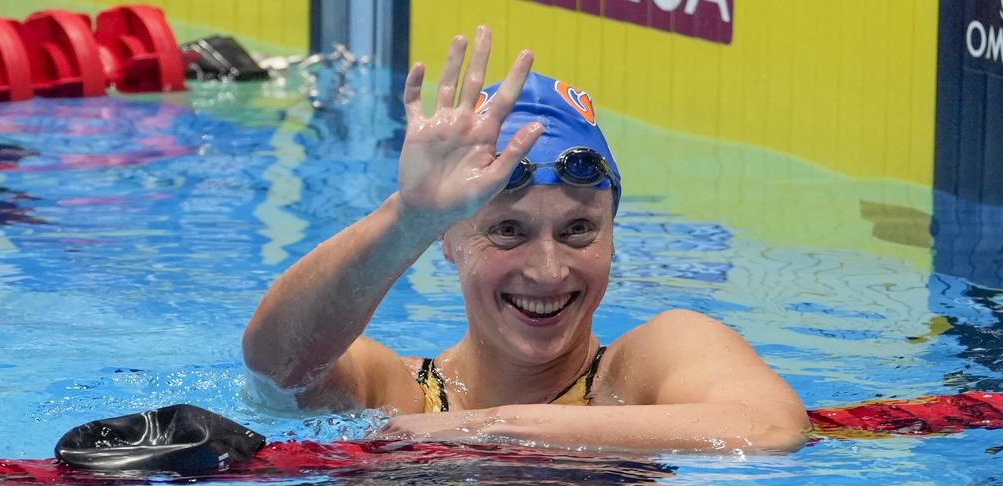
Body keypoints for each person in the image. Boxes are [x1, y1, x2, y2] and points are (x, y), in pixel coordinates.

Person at [243, 26, 809, 453]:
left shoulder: (647, 368)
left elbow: (769, 429)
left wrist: (486, 428)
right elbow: (277, 368)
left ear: (614, 235)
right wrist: (408, 218)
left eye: (578, 230)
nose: (547, 270)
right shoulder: (400, 393)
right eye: (508, 231)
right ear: (448, 239)